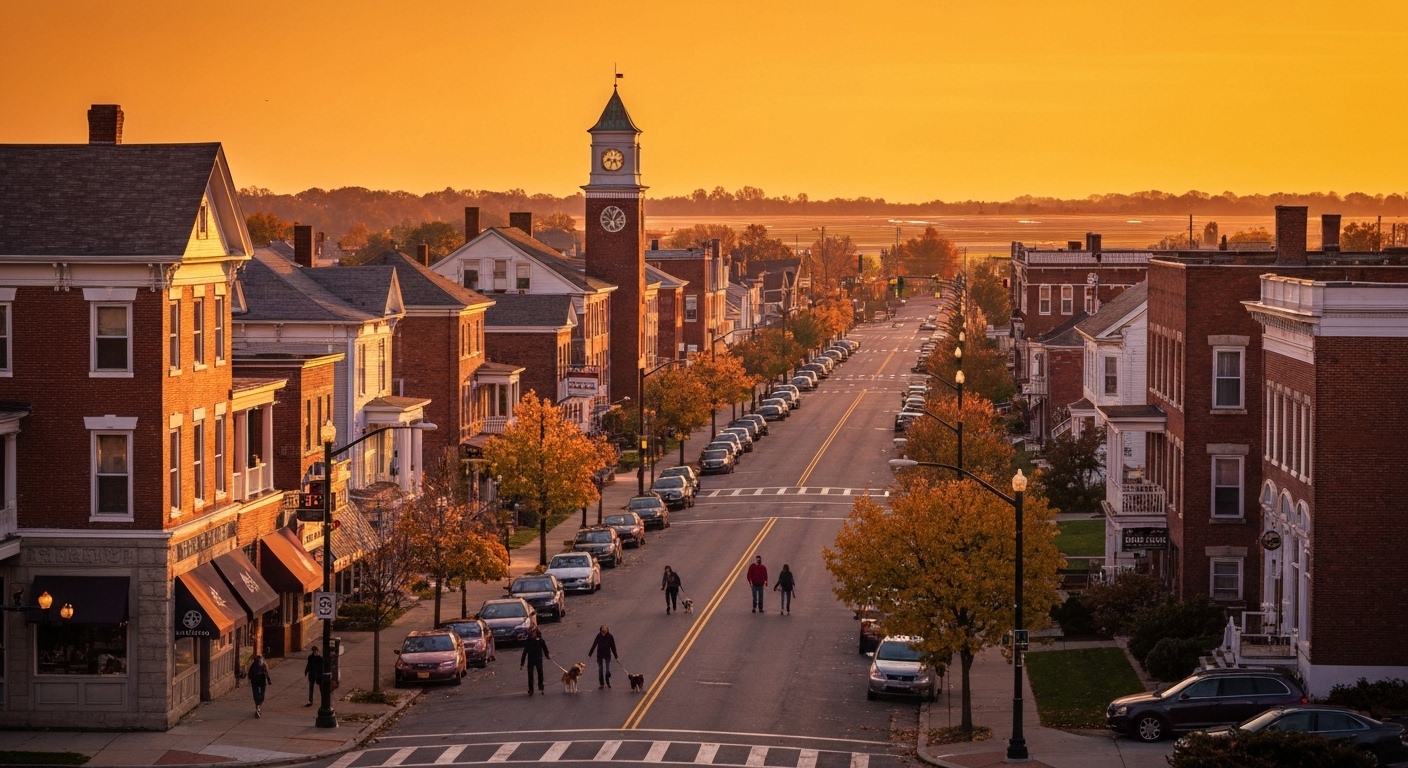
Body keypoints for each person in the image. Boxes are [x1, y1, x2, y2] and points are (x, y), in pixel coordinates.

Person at [520, 628, 550, 696]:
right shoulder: (528, 642)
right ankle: (531, 690)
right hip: (531, 660)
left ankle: (541, 686)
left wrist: (547, 655)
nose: (532, 634)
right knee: (530, 675)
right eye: (531, 633)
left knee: (540, 673)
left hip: (538, 659)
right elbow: (524, 652)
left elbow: (545, 649)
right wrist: (522, 662)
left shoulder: (541, 641)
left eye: (533, 633)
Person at [587, 625, 618, 689]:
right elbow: (594, 644)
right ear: (601, 629)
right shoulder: (599, 636)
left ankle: (608, 682)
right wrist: (590, 653)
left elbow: (613, 646)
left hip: (607, 654)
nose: (604, 629)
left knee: (607, 670)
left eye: (605, 628)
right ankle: (602, 684)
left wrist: (615, 655)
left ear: (607, 629)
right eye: (603, 628)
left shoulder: (610, 636)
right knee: (600, 670)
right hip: (600, 655)